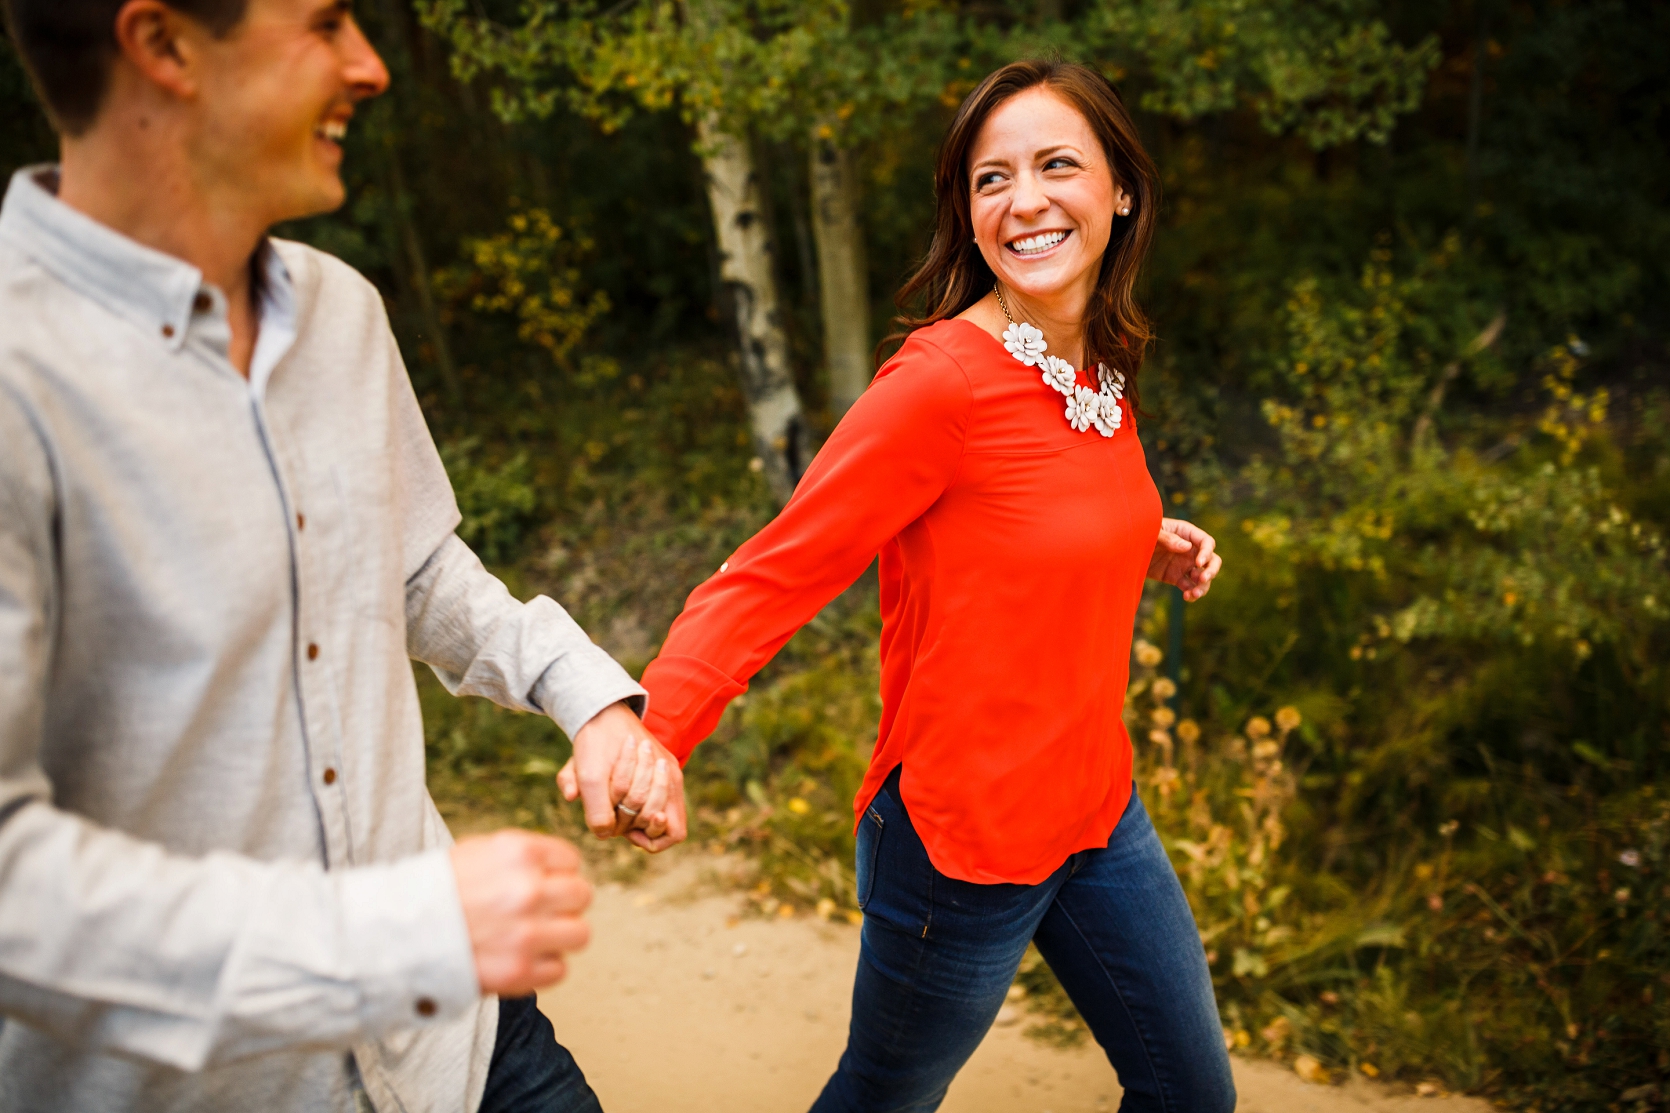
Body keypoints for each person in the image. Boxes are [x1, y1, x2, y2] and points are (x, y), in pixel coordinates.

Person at [0, 1, 684, 1110]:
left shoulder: (341, 315)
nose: (370, 65)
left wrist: (581, 694)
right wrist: (376, 941)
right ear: (162, 45)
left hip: (460, 1042)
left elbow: (411, 570)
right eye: (323, 22)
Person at [633, 59, 1233, 1112]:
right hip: (961, 841)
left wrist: (1142, 537)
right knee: (883, 1096)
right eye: (990, 178)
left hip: (1096, 813)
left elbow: (1033, 505)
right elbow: (778, 568)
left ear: (1121, 189)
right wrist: (655, 730)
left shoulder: (1097, 359)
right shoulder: (937, 383)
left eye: (1056, 164)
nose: (1024, 200)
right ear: (967, 214)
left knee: (1191, 1096)